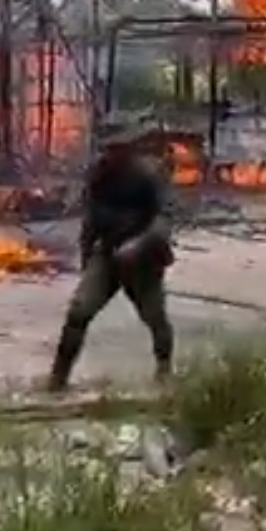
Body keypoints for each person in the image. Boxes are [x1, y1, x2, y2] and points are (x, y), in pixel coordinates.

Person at [47, 113, 175, 393]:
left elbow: (163, 220)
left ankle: (164, 372)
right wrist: (87, 256)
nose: (112, 153)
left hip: (143, 260)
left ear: (130, 146)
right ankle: (57, 380)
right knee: (79, 312)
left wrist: (138, 245)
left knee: (154, 317)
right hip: (107, 255)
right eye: (109, 147)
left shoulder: (149, 175)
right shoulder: (99, 174)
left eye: (118, 147)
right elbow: (91, 218)